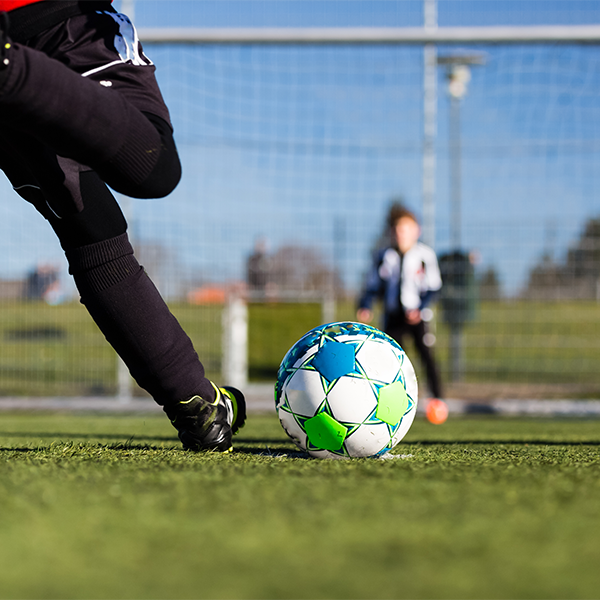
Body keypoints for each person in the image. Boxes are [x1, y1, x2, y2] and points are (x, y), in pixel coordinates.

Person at [0, 1, 245, 451]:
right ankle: (8, 63)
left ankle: (198, 405)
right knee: (152, 167)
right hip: (65, 23)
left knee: (91, 228)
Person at [357, 203, 447, 421]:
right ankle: (392, 403)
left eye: (406, 230)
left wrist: (420, 308)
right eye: (397, 230)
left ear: (417, 231)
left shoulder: (425, 255)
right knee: (391, 360)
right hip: (392, 316)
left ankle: (438, 400)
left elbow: (433, 287)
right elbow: (373, 285)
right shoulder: (384, 256)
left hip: (417, 317)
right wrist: (365, 305)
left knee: (426, 356)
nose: (401, 234)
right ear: (391, 232)